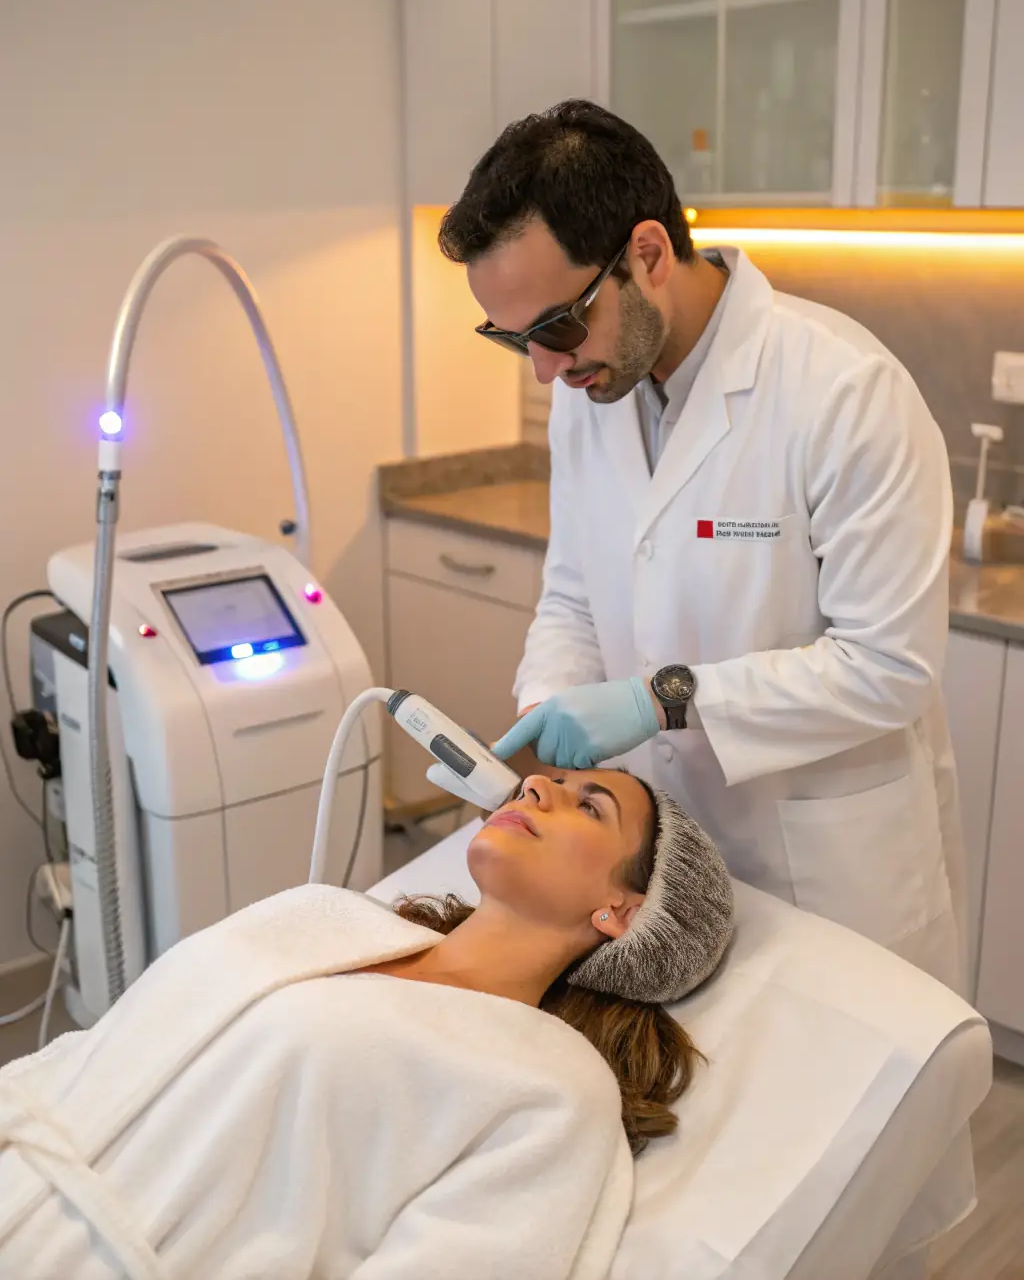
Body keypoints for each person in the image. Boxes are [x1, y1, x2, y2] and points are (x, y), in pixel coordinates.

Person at [439, 99, 965, 995]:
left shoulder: (844, 392)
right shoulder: (589, 394)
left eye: (557, 327)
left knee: (846, 1118)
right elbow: (572, 593)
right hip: (660, 876)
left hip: (825, 871)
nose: (545, 370)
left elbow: (890, 664)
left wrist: (661, 700)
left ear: (647, 254)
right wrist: (551, 711)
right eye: (513, 338)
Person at [0, 770, 733, 1280]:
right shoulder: (327, 916)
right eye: (552, 780)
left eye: (589, 805)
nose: (536, 783)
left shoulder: (555, 1089)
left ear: (625, 910)